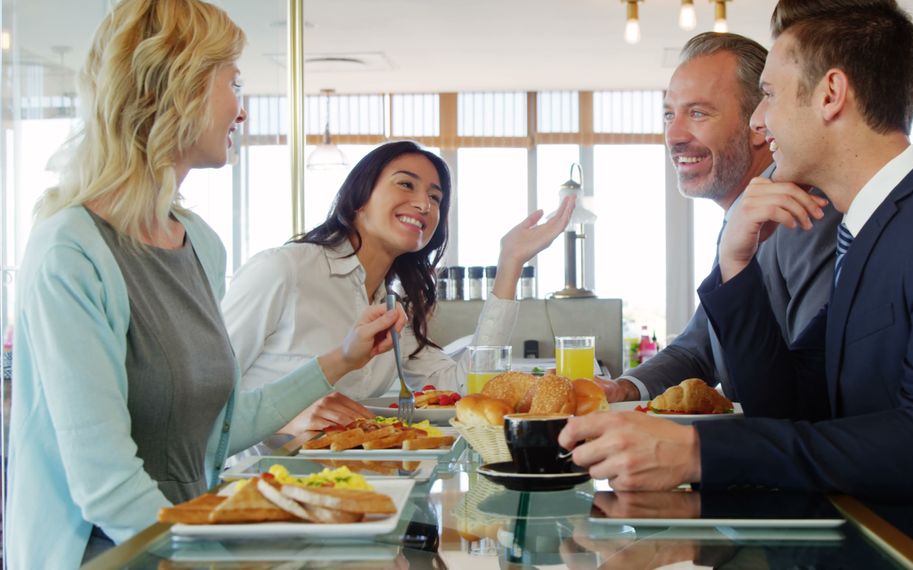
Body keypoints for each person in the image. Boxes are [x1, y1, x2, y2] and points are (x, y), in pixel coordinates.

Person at [561, 1, 913, 566]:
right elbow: (786, 407)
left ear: (831, 94)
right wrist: (735, 266)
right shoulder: (868, 235)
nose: (760, 121)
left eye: (771, 95)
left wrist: (697, 451)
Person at [3, 1, 406, 566]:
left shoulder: (197, 241)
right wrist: (221, 558)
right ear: (176, 87)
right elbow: (105, 482)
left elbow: (220, 425)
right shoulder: (70, 250)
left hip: (185, 542)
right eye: (233, 82)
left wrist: (342, 358)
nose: (242, 112)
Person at [222, 140, 575, 438]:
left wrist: (510, 263)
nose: (424, 204)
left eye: (436, 198)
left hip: (356, 484)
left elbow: (466, 385)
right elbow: (199, 395)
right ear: (360, 197)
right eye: (406, 185)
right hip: (253, 484)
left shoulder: (392, 306)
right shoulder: (284, 269)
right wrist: (282, 418)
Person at [594, 32, 839, 403]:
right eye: (668, 115)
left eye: (697, 113)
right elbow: (698, 347)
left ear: (760, 124)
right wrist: (624, 388)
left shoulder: (801, 211)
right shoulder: (741, 215)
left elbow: (812, 392)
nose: (673, 135)